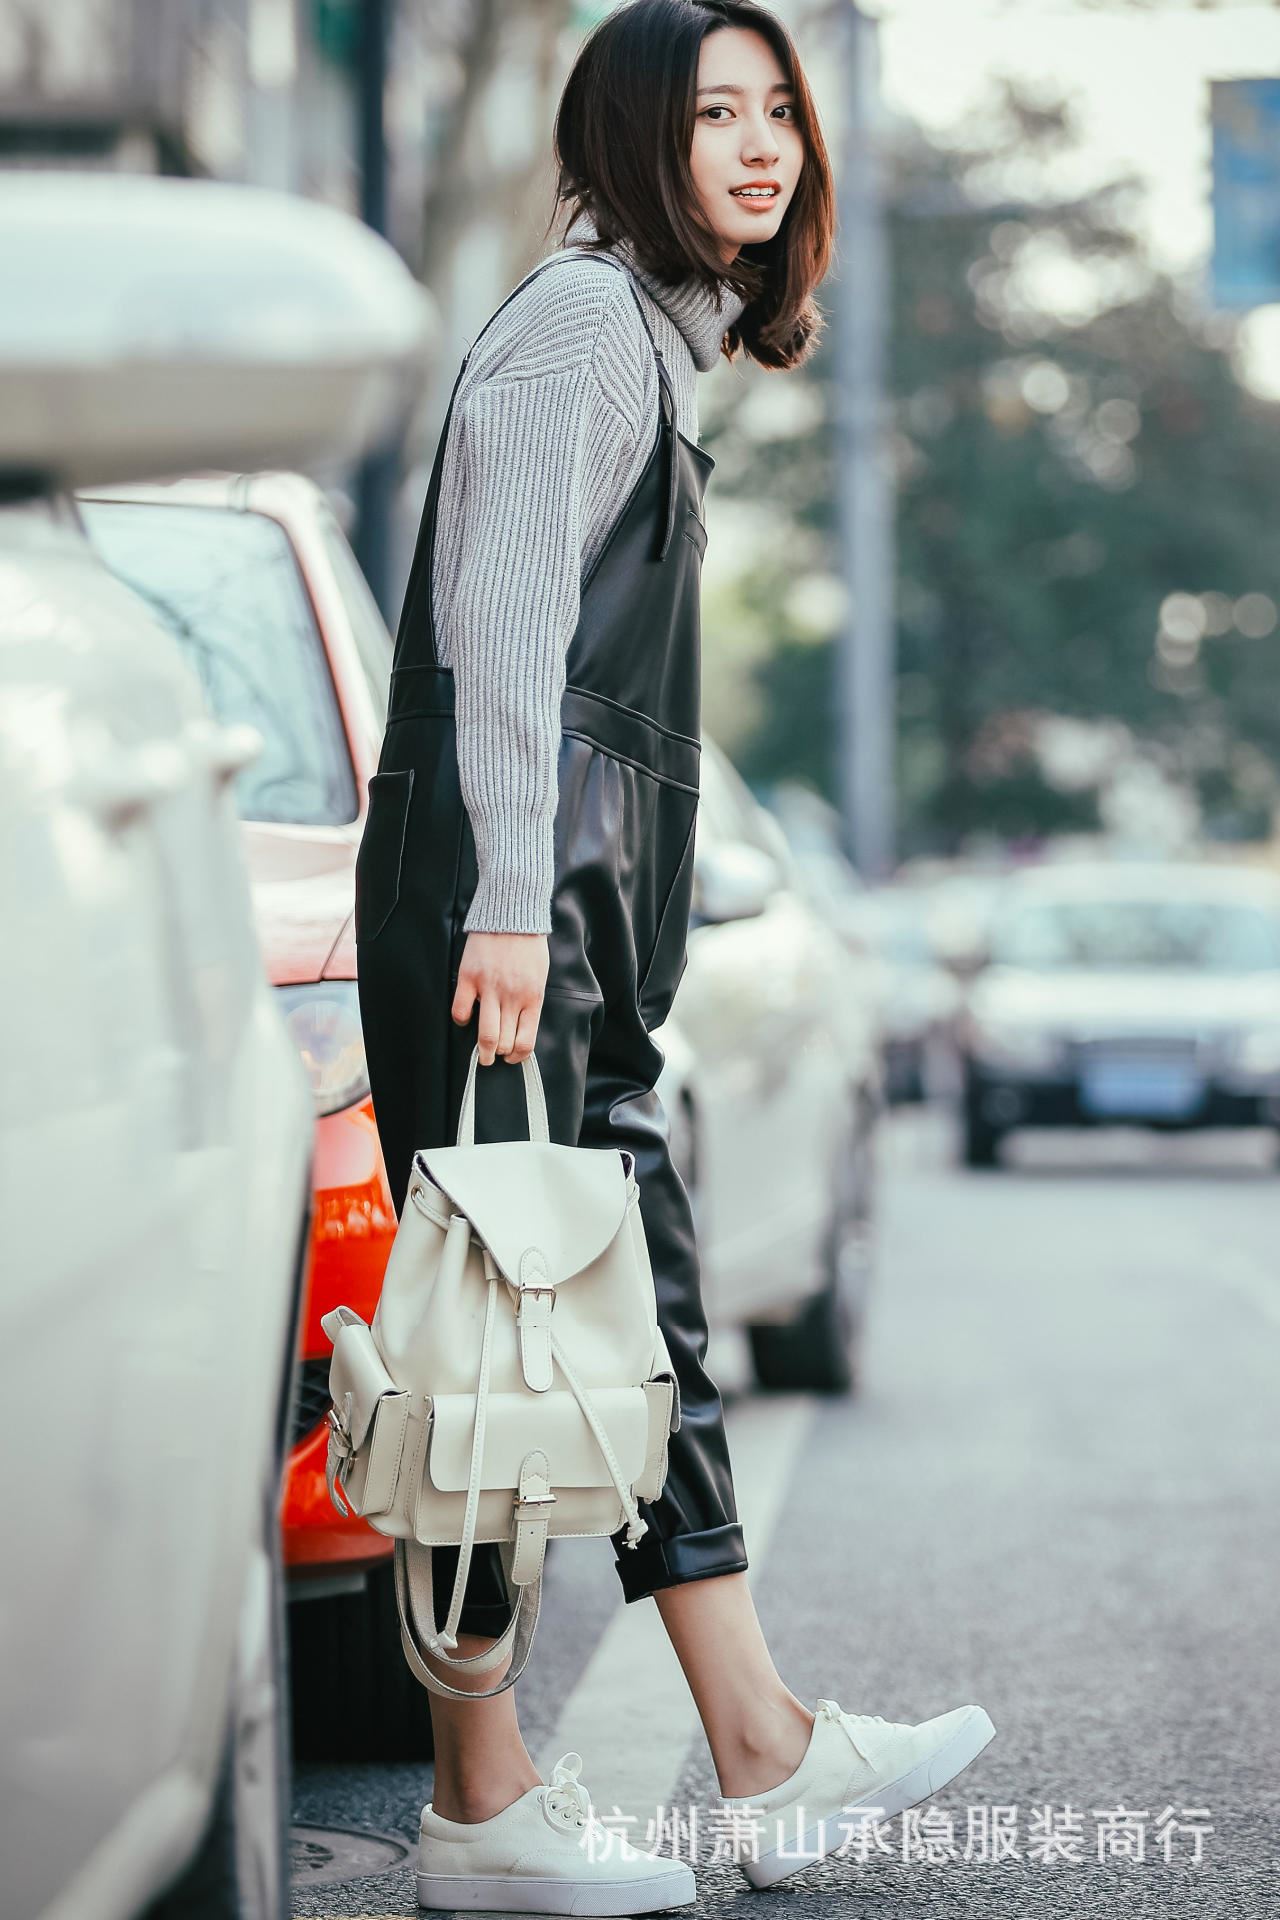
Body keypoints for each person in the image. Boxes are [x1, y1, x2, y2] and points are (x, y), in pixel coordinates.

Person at [354, 2, 996, 1911]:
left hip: (569, 911)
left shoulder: (647, 338)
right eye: (716, 112)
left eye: (780, 111)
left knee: (601, 1325)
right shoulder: (573, 327)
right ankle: (522, 1801)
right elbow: (513, 629)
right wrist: (501, 911)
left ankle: (733, 1750)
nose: (763, 144)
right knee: (513, 1334)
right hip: (516, 907)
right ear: (633, 133)